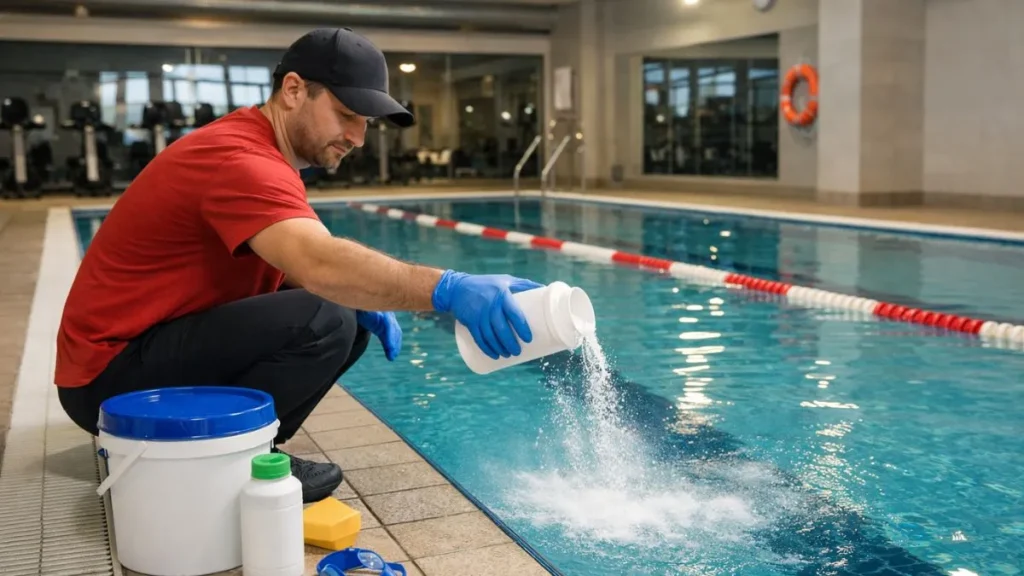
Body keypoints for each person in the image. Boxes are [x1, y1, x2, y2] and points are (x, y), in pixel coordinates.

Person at [54, 27, 544, 503]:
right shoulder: (241, 159)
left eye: (365, 123)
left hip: (136, 356)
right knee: (325, 314)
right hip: (105, 379)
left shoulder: (258, 149)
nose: (356, 136)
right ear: (293, 91)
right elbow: (317, 262)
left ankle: (245, 449)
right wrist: (448, 287)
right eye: (347, 114)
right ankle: (221, 462)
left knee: (344, 316)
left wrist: (361, 294)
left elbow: (283, 260)